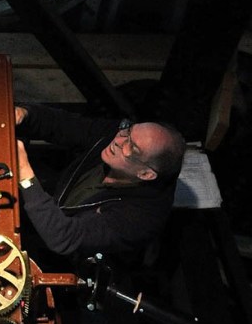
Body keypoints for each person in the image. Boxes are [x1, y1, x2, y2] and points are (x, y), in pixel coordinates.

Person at [15, 102, 186, 260]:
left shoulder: (140, 218)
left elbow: (64, 237)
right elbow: (65, 124)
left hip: (59, 259)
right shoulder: (118, 136)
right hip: (51, 204)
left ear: (146, 174)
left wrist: (26, 177)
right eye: (128, 131)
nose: (117, 141)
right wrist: (26, 114)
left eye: (132, 147)